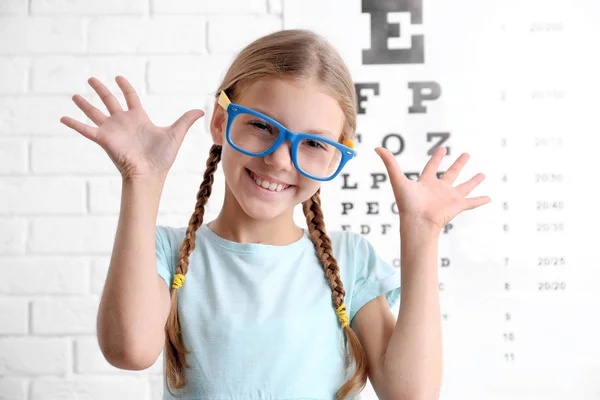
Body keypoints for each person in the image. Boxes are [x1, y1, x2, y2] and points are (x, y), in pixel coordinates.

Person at [60, 29, 490, 400]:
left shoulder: (349, 260)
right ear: (220, 121)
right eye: (262, 126)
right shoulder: (166, 253)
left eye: (314, 144)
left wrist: (421, 230)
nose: (281, 160)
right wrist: (143, 179)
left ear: (335, 156)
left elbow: (410, 393)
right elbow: (129, 350)